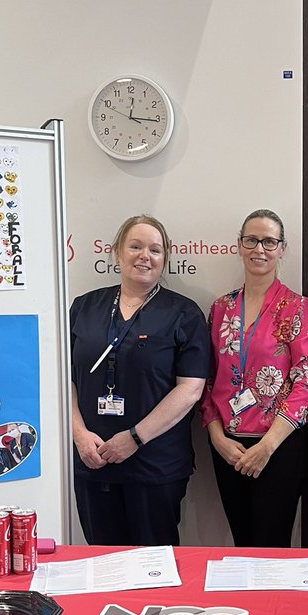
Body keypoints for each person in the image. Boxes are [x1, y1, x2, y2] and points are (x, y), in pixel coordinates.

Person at [70, 214, 209, 546]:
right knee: (101, 563)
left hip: (153, 464)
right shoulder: (83, 307)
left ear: (165, 260)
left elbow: (190, 389)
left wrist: (133, 438)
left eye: (155, 250)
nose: (145, 256)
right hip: (92, 459)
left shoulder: (184, 313)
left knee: (154, 565)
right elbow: (61, 380)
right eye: (135, 246)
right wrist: (78, 434)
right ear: (117, 252)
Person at [201, 209, 308, 546]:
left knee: (272, 546)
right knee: (242, 542)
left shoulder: (298, 307)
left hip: (279, 445)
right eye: (252, 240)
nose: (260, 249)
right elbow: (207, 380)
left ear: (282, 248)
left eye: (269, 241)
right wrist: (216, 437)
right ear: (239, 245)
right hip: (229, 446)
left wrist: (267, 447)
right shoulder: (221, 308)